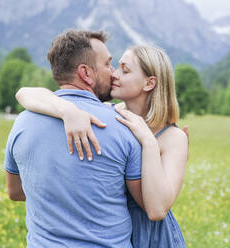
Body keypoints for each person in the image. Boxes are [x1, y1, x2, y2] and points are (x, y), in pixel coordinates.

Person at [16, 44, 189, 247]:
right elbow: (23, 94)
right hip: (109, 232)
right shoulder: (110, 113)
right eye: (116, 67)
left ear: (149, 83)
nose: (114, 74)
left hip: (151, 238)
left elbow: (157, 210)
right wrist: (66, 110)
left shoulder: (173, 137)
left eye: (125, 70)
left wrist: (148, 141)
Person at [4, 30, 146, 247]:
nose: (113, 73)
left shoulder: (21, 123)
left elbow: (15, 191)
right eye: (108, 64)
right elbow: (145, 202)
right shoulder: (123, 125)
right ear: (86, 73)